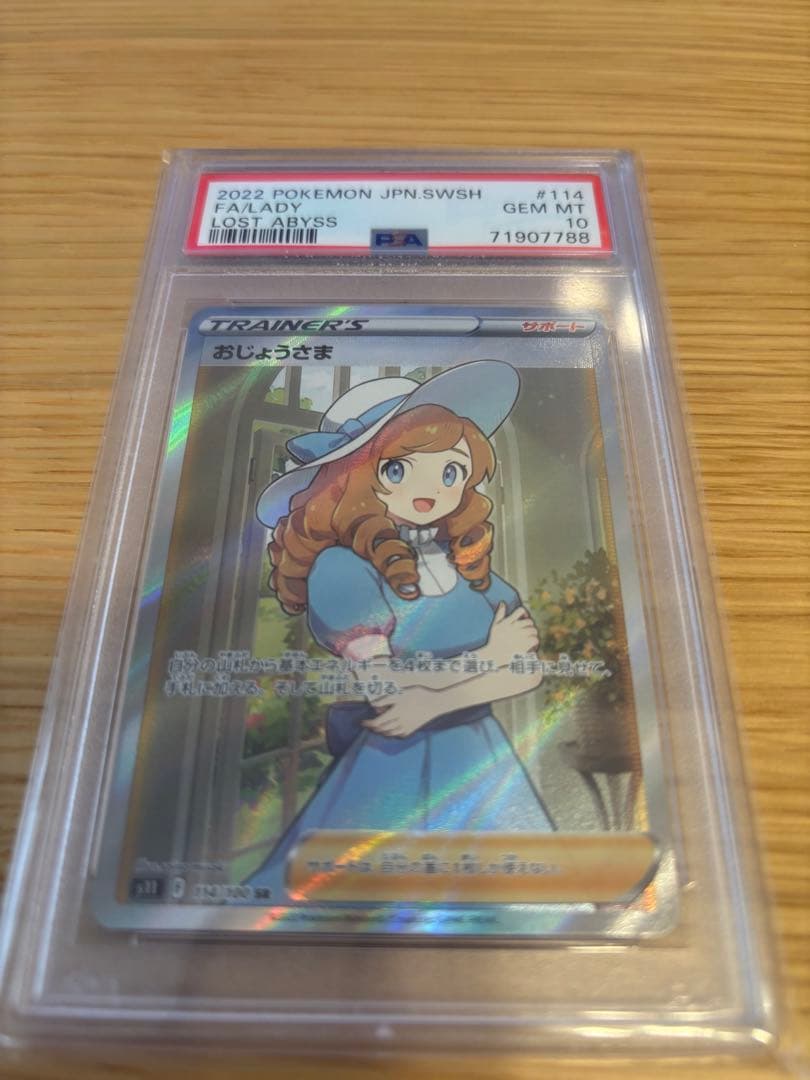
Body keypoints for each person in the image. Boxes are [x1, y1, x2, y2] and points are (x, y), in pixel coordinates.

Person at [246, 360, 555, 897]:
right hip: (395, 759)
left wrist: (433, 699)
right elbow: (386, 690)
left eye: (451, 472)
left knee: (515, 899)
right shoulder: (343, 570)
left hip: (480, 758)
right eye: (397, 470)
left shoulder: (470, 569)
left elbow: (527, 670)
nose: (429, 489)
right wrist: (486, 663)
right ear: (354, 479)